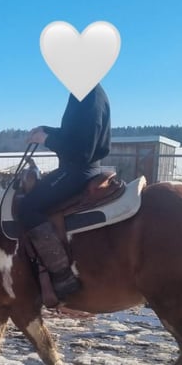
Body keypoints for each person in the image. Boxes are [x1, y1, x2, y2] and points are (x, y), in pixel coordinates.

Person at [20, 83, 111, 300]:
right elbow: (74, 135)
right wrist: (46, 130)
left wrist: (47, 140)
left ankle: (63, 276)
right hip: (78, 168)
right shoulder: (87, 93)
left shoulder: (89, 96)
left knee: (27, 208)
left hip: (77, 170)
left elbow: (82, 151)